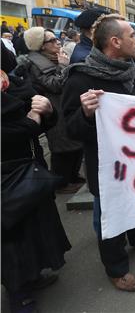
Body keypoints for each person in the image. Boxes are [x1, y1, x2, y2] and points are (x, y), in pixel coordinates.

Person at [62, 14, 135, 292]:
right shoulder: (81, 77)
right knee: (110, 215)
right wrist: (87, 114)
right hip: (106, 164)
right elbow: (69, 129)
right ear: (115, 41)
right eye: (132, 36)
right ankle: (116, 268)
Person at [2, 68, 71, 312]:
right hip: (5, 176)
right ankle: (18, 294)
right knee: (10, 238)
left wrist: (48, 111)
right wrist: (31, 120)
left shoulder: (16, 83)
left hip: (30, 169)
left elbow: (42, 120)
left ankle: (33, 275)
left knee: (36, 228)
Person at [22, 27, 85, 194]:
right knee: (62, 146)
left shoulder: (53, 58)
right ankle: (61, 183)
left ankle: (72, 176)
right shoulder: (36, 63)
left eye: (56, 39)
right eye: (52, 40)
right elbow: (54, 85)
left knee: (75, 142)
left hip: (64, 106)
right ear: (41, 45)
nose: (58, 42)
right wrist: (64, 67)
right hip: (54, 109)